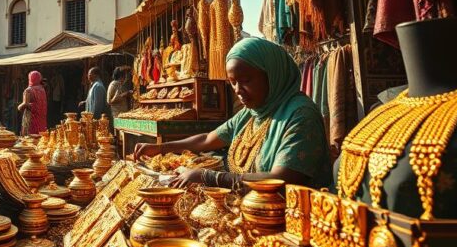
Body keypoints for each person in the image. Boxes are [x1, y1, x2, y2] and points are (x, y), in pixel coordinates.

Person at [134, 37, 330, 189]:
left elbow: (281, 179)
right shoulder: (252, 113)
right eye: (233, 82)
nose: (237, 89)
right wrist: (160, 148)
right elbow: (208, 139)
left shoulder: (300, 116)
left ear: (271, 74)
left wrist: (207, 176)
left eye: (245, 80)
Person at [18, 71, 48, 135]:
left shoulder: (28, 90)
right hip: (41, 119)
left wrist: (19, 107)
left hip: (31, 119)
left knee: (29, 140)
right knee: (40, 139)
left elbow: (25, 104)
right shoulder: (42, 89)